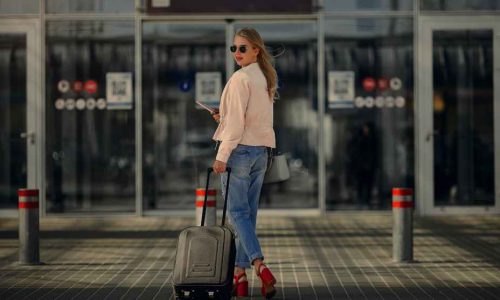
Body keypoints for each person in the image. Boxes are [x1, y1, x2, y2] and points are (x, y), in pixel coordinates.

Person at [211, 28, 278, 299]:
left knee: (237, 214)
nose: (237, 53)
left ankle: (259, 264)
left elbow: (237, 125)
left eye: (242, 48)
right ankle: (239, 276)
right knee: (247, 216)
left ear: (256, 50)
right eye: (234, 49)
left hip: (239, 153)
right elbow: (251, 119)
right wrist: (223, 118)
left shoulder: (240, 79)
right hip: (260, 153)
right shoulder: (265, 77)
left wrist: (221, 155)